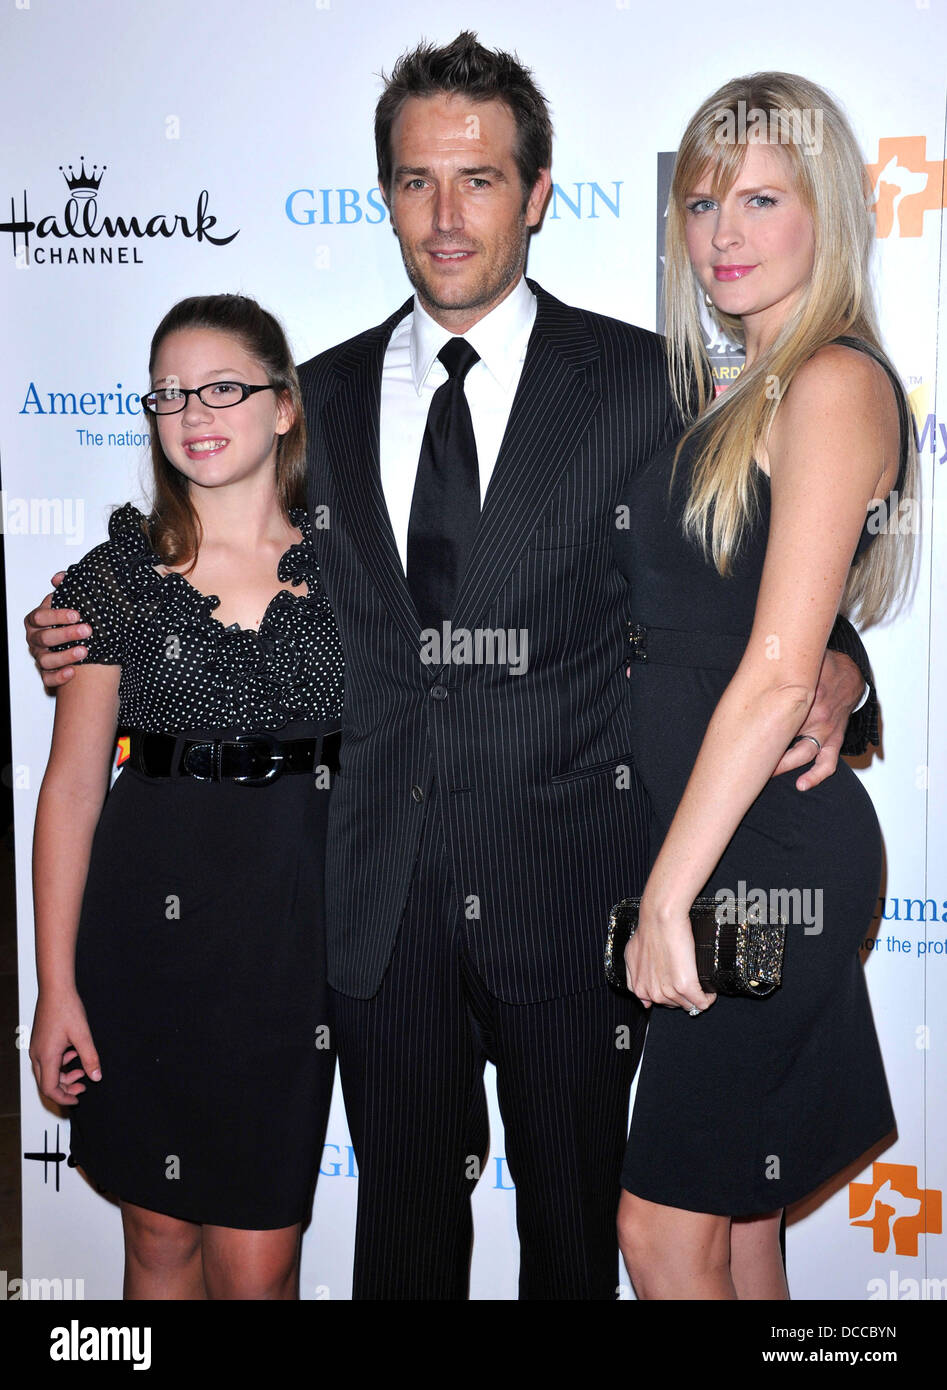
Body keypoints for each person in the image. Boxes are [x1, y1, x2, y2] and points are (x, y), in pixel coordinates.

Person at [27, 36, 873, 1300]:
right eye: (417, 181)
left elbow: (742, 572)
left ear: (535, 194)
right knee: (403, 1254)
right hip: (375, 911)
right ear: (384, 196)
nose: (445, 213)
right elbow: (201, 539)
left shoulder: (649, 384)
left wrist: (840, 673)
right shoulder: (307, 399)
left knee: (583, 1250)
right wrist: (87, 608)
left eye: (478, 180)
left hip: (577, 896)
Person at [613, 73, 916, 1300]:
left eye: (757, 199)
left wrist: (661, 900)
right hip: (724, 839)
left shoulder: (830, 382)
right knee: (738, 1222)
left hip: (759, 859)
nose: (721, 233)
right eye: (699, 202)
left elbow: (779, 667)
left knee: (659, 1228)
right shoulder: (722, 394)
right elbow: (759, 623)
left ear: (825, 215)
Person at [28, 294, 343, 1299]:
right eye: (169, 394)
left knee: (258, 1261)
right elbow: (73, 790)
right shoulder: (115, 578)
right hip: (143, 934)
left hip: (293, 946)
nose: (194, 412)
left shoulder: (353, 566)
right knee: (158, 1238)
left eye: (222, 388)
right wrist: (56, 987)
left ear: (283, 406)